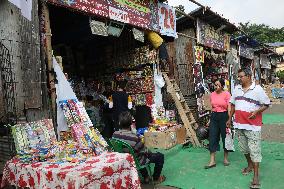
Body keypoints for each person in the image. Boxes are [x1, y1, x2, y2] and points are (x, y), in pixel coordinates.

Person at [227, 68, 270, 189]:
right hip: (239, 125)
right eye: (238, 77)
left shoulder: (257, 89)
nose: (239, 79)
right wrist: (229, 118)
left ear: (249, 76)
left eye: (241, 76)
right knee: (244, 149)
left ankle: (256, 176)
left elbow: (266, 104)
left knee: (254, 151)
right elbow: (233, 104)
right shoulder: (237, 89)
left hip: (253, 126)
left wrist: (256, 111)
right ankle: (249, 165)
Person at [113, 111, 166, 184]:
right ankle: (155, 178)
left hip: (124, 159)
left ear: (119, 123)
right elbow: (146, 152)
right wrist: (143, 142)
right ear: (131, 123)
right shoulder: (135, 138)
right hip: (135, 160)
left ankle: (146, 177)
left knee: (137, 154)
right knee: (159, 156)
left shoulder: (115, 135)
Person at [205, 78, 231, 169]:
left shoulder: (227, 94)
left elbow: (229, 107)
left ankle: (225, 158)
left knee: (225, 138)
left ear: (222, 86)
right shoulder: (212, 95)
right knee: (212, 138)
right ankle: (212, 161)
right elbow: (212, 108)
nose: (216, 87)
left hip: (224, 116)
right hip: (214, 117)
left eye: (218, 85)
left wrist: (229, 119)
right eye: (215, 85)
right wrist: (209, 119)